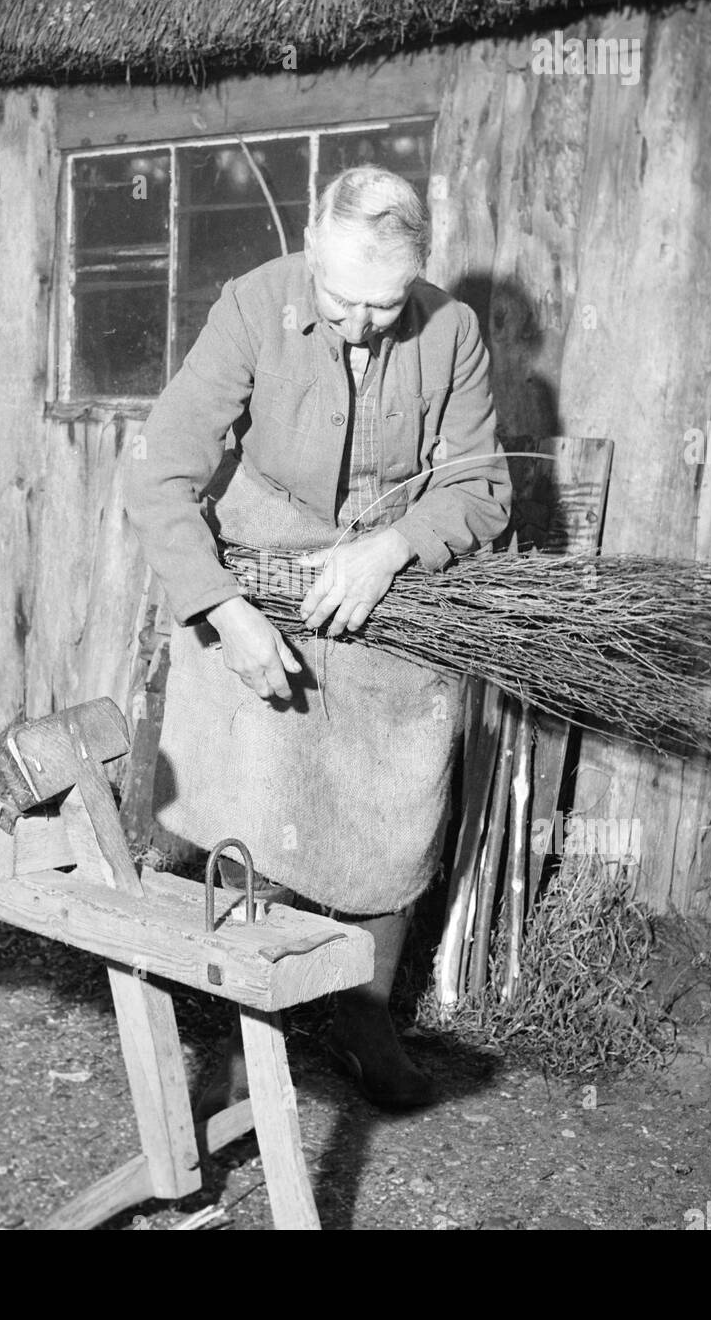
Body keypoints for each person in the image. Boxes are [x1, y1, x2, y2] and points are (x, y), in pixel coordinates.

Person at [127, 165, 511, 1109]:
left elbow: (481, 488)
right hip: (254, 576)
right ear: (309, 247)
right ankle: (228, 1020)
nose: (361, 324)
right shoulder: (251, 307)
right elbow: (162, 474)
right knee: (246, 808)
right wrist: (222, 611)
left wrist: (391, 550)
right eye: (342, 298)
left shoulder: (452, 334)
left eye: (386, 305)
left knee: (395, 806)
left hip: (392, 594)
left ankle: (360, 1016)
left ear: (417, 277)